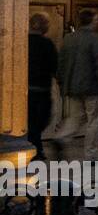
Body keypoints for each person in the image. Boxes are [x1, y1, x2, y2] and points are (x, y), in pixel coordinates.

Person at [52, 8, 98, 158]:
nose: (97, 22)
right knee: (95, 120)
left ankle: (61, 138)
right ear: (92, 21)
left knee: (75, 117)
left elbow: (61, 62)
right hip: (93, 87)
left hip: (73, 87)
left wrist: (61, 83)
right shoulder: (94, 38)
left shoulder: (69, 38)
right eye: (96, 19)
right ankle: (91, 153)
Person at [27, 13, 58, 160]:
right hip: (41, 89)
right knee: (40, 120)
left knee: (31, 121)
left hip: (26, 89)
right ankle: (36, 150)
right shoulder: (47, 44)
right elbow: (54, 66)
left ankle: (36, 148)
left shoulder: (22, 42)